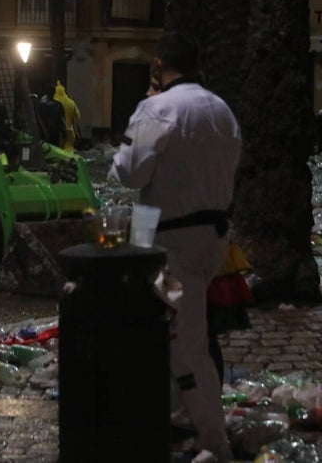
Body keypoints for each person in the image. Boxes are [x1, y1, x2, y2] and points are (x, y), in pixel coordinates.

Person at [108, 31, 242, 462]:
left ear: (160, 67)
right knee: (185, 334)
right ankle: (178, 420)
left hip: (170, 242)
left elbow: (127, 174)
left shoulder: (157, 109)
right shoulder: (221, 110)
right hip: (213, 239)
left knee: (183, 343)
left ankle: (209, 439)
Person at [52, 81, 80, 153]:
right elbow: (77, 116)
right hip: (70, 131)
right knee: (69, 150)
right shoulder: (71, 102)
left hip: (59, 132)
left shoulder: (54, 102)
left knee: (59, 152)